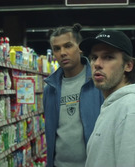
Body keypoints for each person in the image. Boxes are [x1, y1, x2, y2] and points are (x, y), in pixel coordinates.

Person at [79, 30, 135, 166]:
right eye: (93, 57)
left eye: (108, 57)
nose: (97, 64)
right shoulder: (113, 105)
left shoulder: (134, 109)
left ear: (128, 66)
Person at [43, 23, 104, 167]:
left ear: (80, 48)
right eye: (57, 49)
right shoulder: (49, 90)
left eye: (68, 46)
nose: (62, 52)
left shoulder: (98, 83)